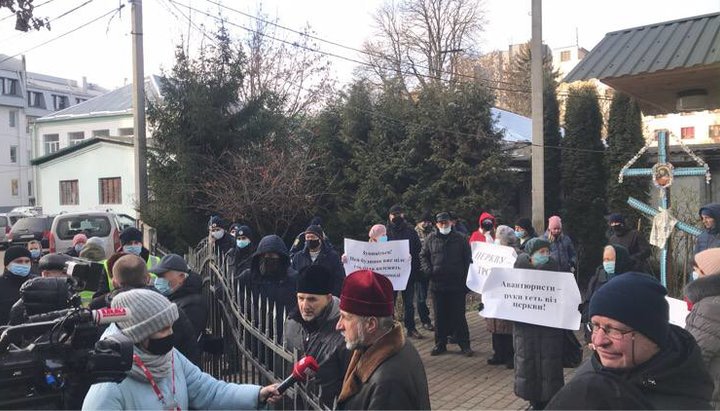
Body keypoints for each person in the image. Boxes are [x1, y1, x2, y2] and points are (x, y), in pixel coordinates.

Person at [82, 288, 282, 410]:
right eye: (163, 329)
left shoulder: (169, 356)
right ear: (138, 334)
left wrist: (257, 394)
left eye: (171, 327)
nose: (171, 334)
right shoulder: (108, 386)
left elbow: (208, 391)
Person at [547, 273, 713, 410]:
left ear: (651, 334)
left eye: (613, 329)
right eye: (596, 326)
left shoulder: (689, 402)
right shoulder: (595, 367)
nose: (597, 341)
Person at [335, 270, 430, 410]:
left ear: (371, 325)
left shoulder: (387, 383)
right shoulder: (396, 346)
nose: (338, 325)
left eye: (346, 317)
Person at [89, 254, 202, 366]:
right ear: (148, 279)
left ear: (114, 282)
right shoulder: (171, 310)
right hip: (173, 377)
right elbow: (189, 355)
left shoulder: (103, 317)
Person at [283, 265, 349, 407]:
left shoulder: (345, 332)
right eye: (301, 298)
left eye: (312, 299)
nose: (305, 305)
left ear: (328, 298)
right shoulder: (292, 323)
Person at [513, 238, 565, 410]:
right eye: (541, 252)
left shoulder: (556, 271)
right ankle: (534, 403)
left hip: (549, 333)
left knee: (549, 369)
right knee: (528, 368)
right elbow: (509, 302)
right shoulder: (516, 274)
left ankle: (549, 404)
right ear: (531, 255)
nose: (546, 255)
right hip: (525, 333)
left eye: (547, 252)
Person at [420, 211, 474, 357]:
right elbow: (423, 256)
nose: (444, 225)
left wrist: (465, 278)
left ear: (451, 223)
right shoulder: (430, 238)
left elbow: (468, 259)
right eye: (441, 223)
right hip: (438, 285)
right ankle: (440, 344)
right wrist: (428, 271)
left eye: (446, 222)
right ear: (437, 224)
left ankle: (465, 345)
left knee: (459, 316)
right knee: (439, 317)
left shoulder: (461, 239)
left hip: (456, 284)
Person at [237, 234, 298, 341]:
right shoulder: (249, 276)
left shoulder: (293, 278)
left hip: (282, 335)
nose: (268, 259)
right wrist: (252, 310)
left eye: (273, 256)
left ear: (281, 258)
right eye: (264, 256)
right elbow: (229, 289)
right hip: (255, 335)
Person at [684, 248, 720, 408]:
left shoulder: (710, 307)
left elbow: (695, 356)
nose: (694, 275)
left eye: (696, 270)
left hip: (708, 396)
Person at [386, 205, 424, 339]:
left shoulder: (410, 231)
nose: (396, 217)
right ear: (389, 216)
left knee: (409, 304)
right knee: (390, 304)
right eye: (393, 214)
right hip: (391, 276)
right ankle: (389, 330)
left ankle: (411, 328)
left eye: (399, 214)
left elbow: (419, 250)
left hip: (408, 274)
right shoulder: (385, 233)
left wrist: (415, 265)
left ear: (403, 215)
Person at [581, 244, 632, 342]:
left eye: (610, 259)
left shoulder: (631, 282)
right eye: (605, 259)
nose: (607, 263)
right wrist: (589, 337)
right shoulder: (597, 278)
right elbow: (587, 308)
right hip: (598, 338)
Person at [150, 254, 207, 339]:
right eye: (158, 276)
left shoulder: (193, 305)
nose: (158, 280)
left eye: (162, 276)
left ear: (181, 277)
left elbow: (182, 339)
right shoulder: (174, 296)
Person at [95, 227, 161, 298]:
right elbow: (100, 293)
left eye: (136, 243)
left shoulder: (155, 261)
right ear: (122, 246)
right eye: (129, 243)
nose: (133, 246)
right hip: (119, 304)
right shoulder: (109, 264)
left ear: (141, 244)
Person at [485, 225, 517, 369]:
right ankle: (498, 353)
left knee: (507, 326)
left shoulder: (514, 254)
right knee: (495, 325)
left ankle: (510, 356)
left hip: (508, 294)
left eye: (500, 238)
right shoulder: (493, 252)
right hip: (494, 293)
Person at [290, 224, 344, 297]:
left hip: (325, 298)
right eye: (307, 237)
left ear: (320, 239)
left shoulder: (332, 256)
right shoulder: (298, 257)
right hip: (304, 299)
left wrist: (333, 297)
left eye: (312, 237)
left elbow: (339, 279)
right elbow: (293, 278)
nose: (310, 240)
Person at [0, 246, 35, 324]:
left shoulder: (36, 282)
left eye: (27, 261)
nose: (24, 264)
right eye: (19, 262)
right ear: (7, 264)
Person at [414, 213, 434, 332]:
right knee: (421, 298)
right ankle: (425, 321)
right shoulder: (414, 233)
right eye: (424, 222)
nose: (427, 224)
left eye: (429, 222)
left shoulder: (433, 231)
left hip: (433, 268)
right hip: (420, 270)